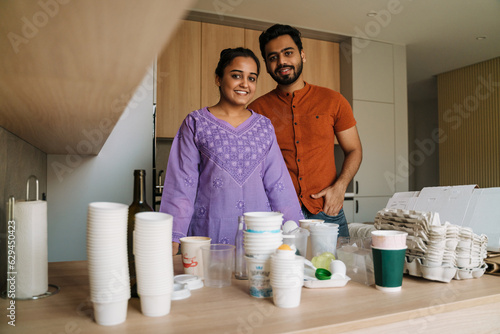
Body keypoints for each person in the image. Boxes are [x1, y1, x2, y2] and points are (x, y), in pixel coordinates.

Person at [160, 47, 303, 255]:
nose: (245, 84)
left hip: (260, 240)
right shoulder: (196, 123)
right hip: (208, 237)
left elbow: (278, 185)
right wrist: (172, 238)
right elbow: (182, 186)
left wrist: (295, 232)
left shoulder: (264, 127)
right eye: (236, 76)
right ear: (218, 78)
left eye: (252, 78)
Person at [248, 24, 362, 237]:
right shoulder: (256, 110)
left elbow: (354, 149)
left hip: (327, 210)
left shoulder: (334, 101)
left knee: (334, 270)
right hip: (278, 215)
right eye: (273, 57)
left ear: (302, 55)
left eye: (288, 53)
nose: (281, 61)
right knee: (282, 270)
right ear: (266, 64)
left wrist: (340, 187)